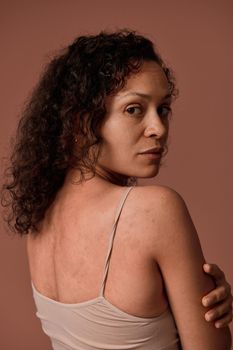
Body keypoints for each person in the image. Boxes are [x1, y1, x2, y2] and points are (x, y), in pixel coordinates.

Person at [1, 29, 232, 349]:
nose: (159, 128)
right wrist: (211, 318)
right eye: (134, 109)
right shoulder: (155, 211)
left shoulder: (41, 215)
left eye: (162, 108)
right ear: (83, 121)